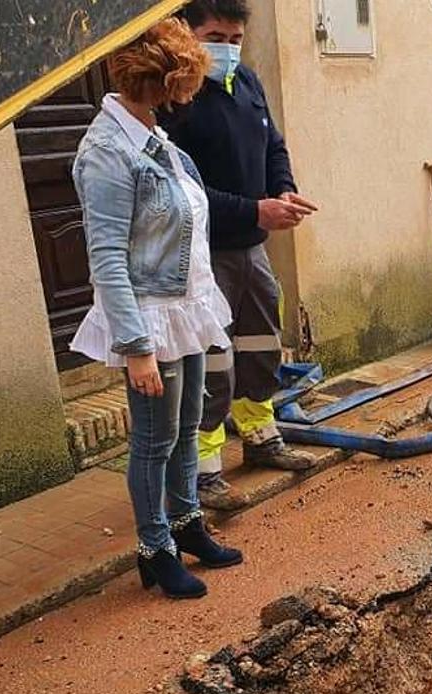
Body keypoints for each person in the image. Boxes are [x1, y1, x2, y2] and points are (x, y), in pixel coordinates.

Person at [69, 19, 243, 599]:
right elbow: (108, 259)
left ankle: (188, 522)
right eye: (178, 87)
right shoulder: (106, 150)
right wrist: (136, 348)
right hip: (148, 317)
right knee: (153, 439)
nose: (181, 101)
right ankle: (154, 547)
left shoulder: (152, 134)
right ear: (158, 80)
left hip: (184, 306)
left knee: (186, 428)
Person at [162, 0, 321, 511]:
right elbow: (182, 190)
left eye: (234, 40)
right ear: (187, 34)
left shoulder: (247, 83)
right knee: (212, 360)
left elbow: (274, 145)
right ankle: (205, 467)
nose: (226, 50)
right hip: (203, 255)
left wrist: (285, 190)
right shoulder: (174, 98)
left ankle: (260, 435)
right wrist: (256, 211)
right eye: (215, 37)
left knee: (260, 341)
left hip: (251, 249)